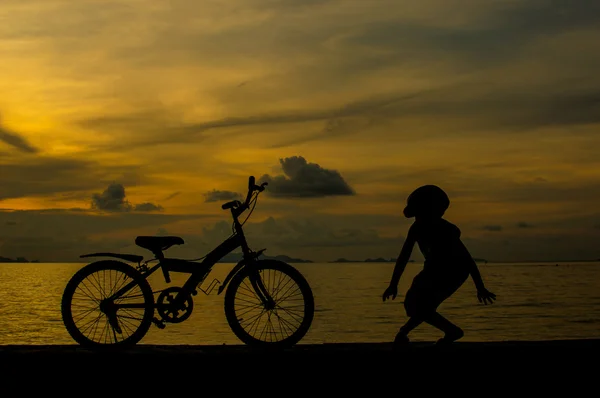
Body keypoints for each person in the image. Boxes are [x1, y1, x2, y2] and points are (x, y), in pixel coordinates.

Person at [382, 185, 496, 345]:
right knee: (413, 304)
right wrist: (393, 284)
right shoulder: (416, 228)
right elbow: (404, 257)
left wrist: (480, 287)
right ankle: (448, 332)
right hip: (432, 270)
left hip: (453, 272)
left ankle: (406, 332)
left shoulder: (446, 230)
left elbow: (467, 259)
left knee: (423, 306)